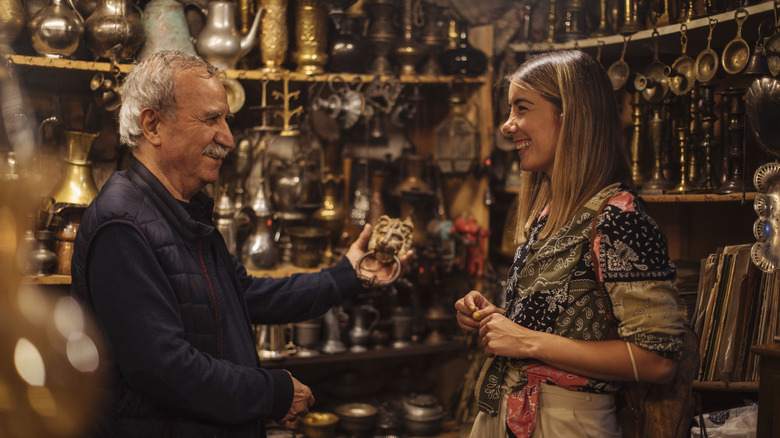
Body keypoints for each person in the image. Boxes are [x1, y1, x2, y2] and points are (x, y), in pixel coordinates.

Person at [70, 50, 407, 438]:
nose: (227, 139)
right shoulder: (122, 225)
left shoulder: (182, 211)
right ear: (153, 125)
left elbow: (243, 294)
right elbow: (164, 369)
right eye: (211, 119)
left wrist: (347, 275)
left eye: (226, 120)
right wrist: (273, 393)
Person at [455, 50, 686, 438]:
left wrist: (526, 340)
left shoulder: (619, 218)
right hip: (512, 415)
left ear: (571, 116)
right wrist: (500, 320)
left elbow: (658, 360)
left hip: (567, 424)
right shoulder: (550, 214)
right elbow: (562, 327)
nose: (508, 125)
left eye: (522, 108)